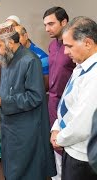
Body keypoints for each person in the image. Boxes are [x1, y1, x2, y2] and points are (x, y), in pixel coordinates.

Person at [0, 21, 56, 180]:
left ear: (10, 42)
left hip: (27, 127)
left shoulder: (30, 60)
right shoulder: (6, 58)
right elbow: (6, 89)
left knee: (26, 171)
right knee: (11, 167)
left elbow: (35, 96)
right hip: (10, 125)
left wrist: (3, 102)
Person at [50, 16, 97, 180]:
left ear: (88, 43)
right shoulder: (81, 66)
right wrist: (56, 126)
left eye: (69, 46)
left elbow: (84, 123)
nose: (65, 51)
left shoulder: (94, 76)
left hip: (82, 154)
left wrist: (59, 137)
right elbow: (67, 101)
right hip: (70, 145)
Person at [43, 7, 76, 180]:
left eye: (51, 24)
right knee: (55, 143)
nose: (47, 28)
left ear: (64, 22)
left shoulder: (74, 46)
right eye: (45, 25)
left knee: (69, 145)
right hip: (53, 101)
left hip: (70, 103)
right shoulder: (51, 45)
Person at [14, 25, 49, 91]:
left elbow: (45, 86)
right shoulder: (14, 54)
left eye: (17, 37)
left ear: (26, 36)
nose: (15, 41)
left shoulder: (42, 57)